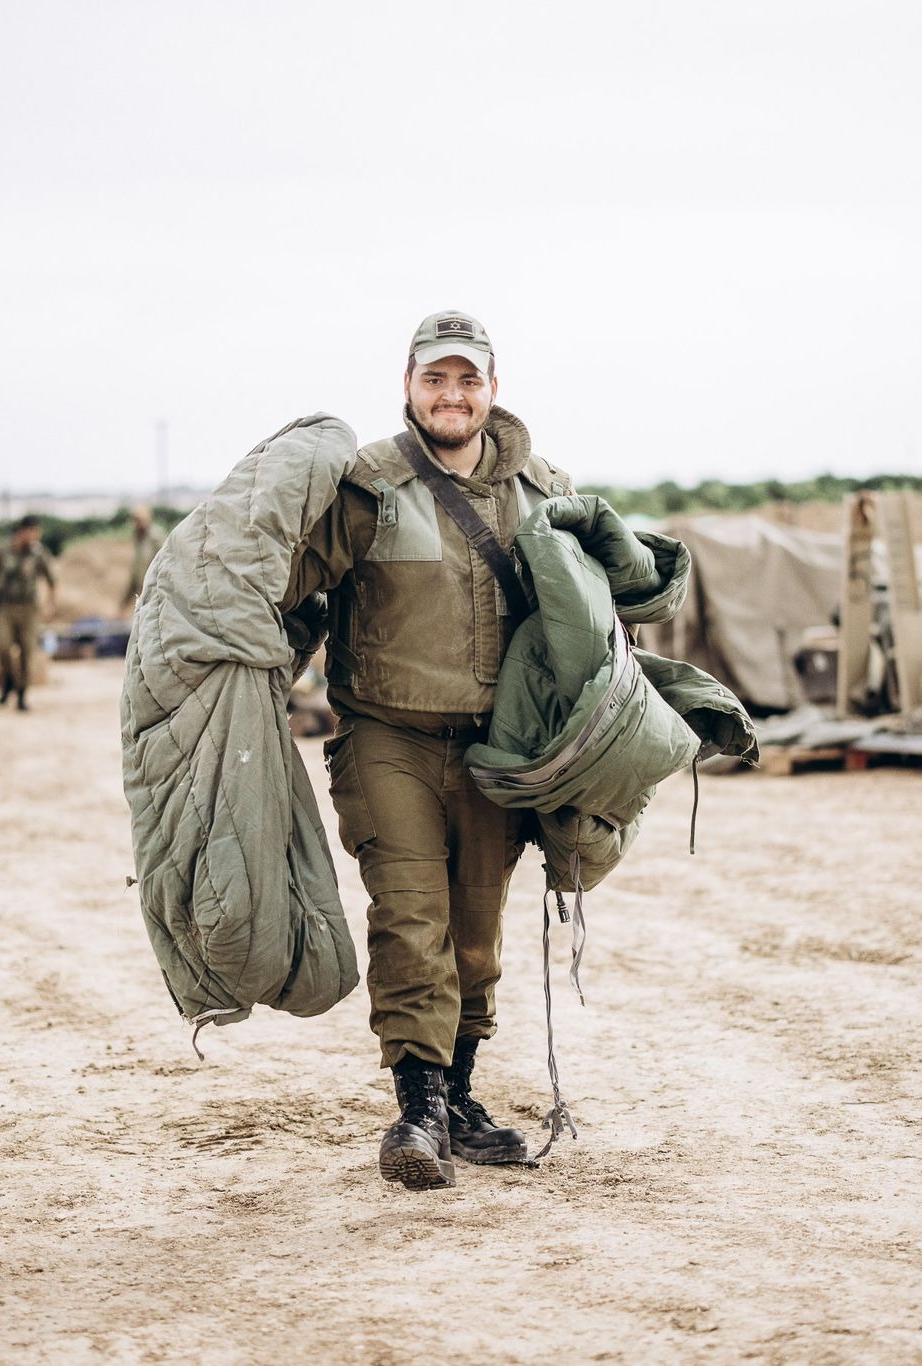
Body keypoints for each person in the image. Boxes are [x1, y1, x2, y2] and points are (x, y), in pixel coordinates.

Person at [280, 311, 576, 1191]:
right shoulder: (366, 487)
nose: (452, 395)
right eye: (435, 379)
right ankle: (416, 1109)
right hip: (387, 736)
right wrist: (248, 689)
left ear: (493, 387)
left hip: (496, 748)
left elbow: (592, 610)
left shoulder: (544, 492)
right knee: (412, 917)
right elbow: (296, 599)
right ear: (407, 385)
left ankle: (459, 1100)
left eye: (468, 379)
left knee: (476, 936)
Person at [0, 514, 56, 712]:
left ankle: (22, 694)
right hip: (6, 606)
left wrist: (49, 605)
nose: (35, 538)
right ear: (22, 532)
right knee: (4, 648)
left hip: (29, 608)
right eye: (33, 533)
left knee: (27, 651)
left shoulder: (38, 553)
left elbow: (51, 580)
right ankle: (8, 680)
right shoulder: (3, 551)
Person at [120, 504, 163, 614]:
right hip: (145, 595)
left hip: (157, 595)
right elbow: (136, 575)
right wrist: (123, 605)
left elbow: (165, 566)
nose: (137, 524)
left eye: (139, 520)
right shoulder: (139, 539)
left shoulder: (155, 538)